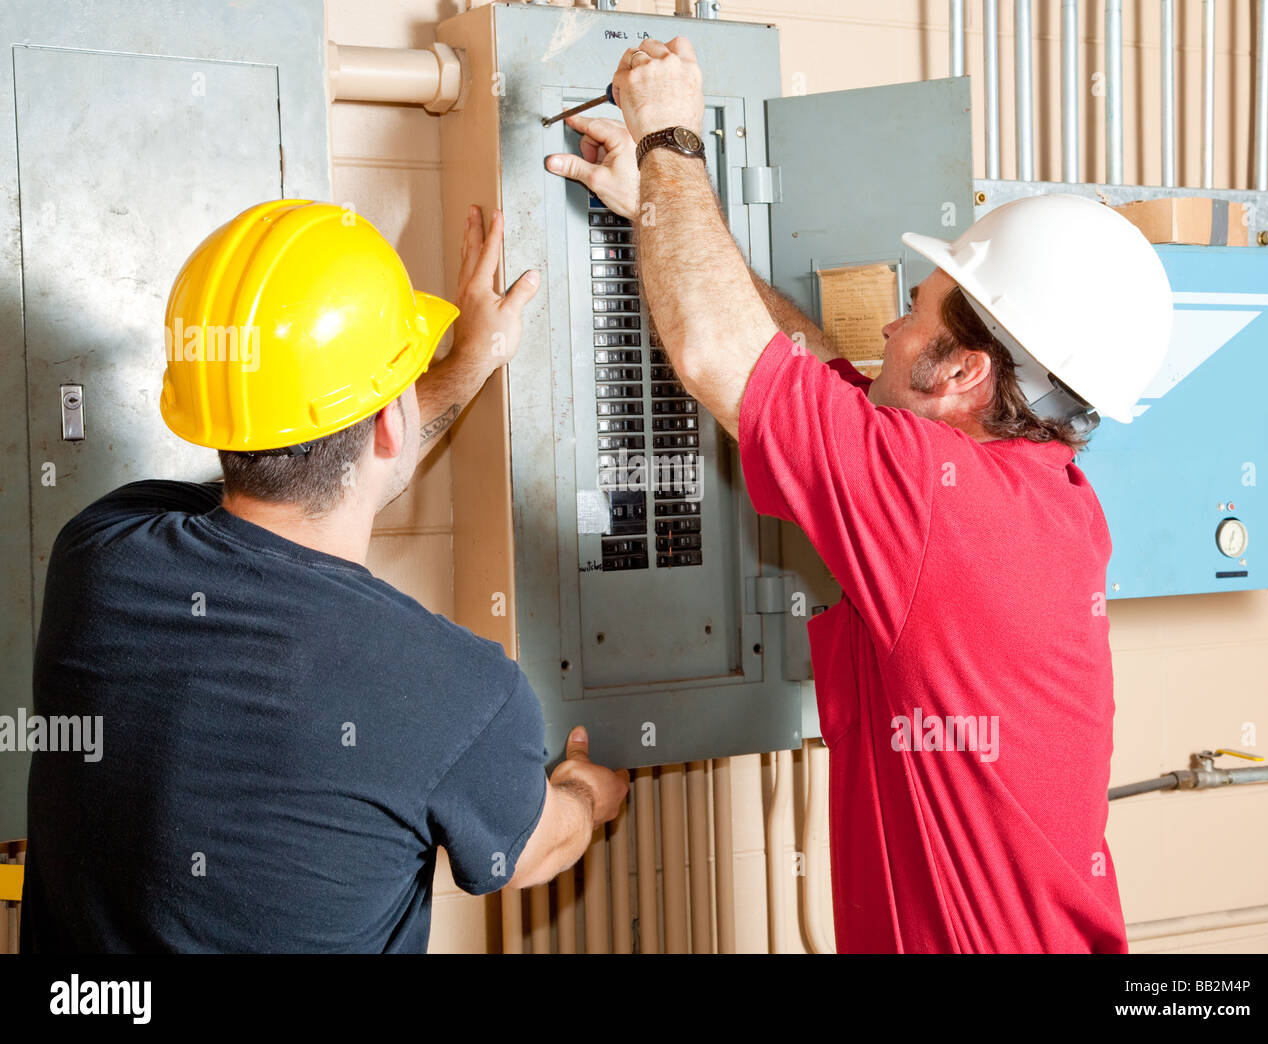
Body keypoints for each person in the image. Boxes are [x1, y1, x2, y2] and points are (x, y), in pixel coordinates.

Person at [545, 39, 1172, 953]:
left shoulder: (936, 503)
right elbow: (806, 370)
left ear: (963, 369)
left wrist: (669, 136)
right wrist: (660, 218)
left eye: (915, 307)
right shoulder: (1034, 493)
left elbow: (721, 356)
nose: (888, 321)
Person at [22, 200, 628, 952]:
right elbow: (535, 848)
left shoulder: (100, 553)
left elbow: (298, 479)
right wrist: (587, 792)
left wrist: (465, 363)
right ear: (387, 424)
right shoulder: (456, 689)